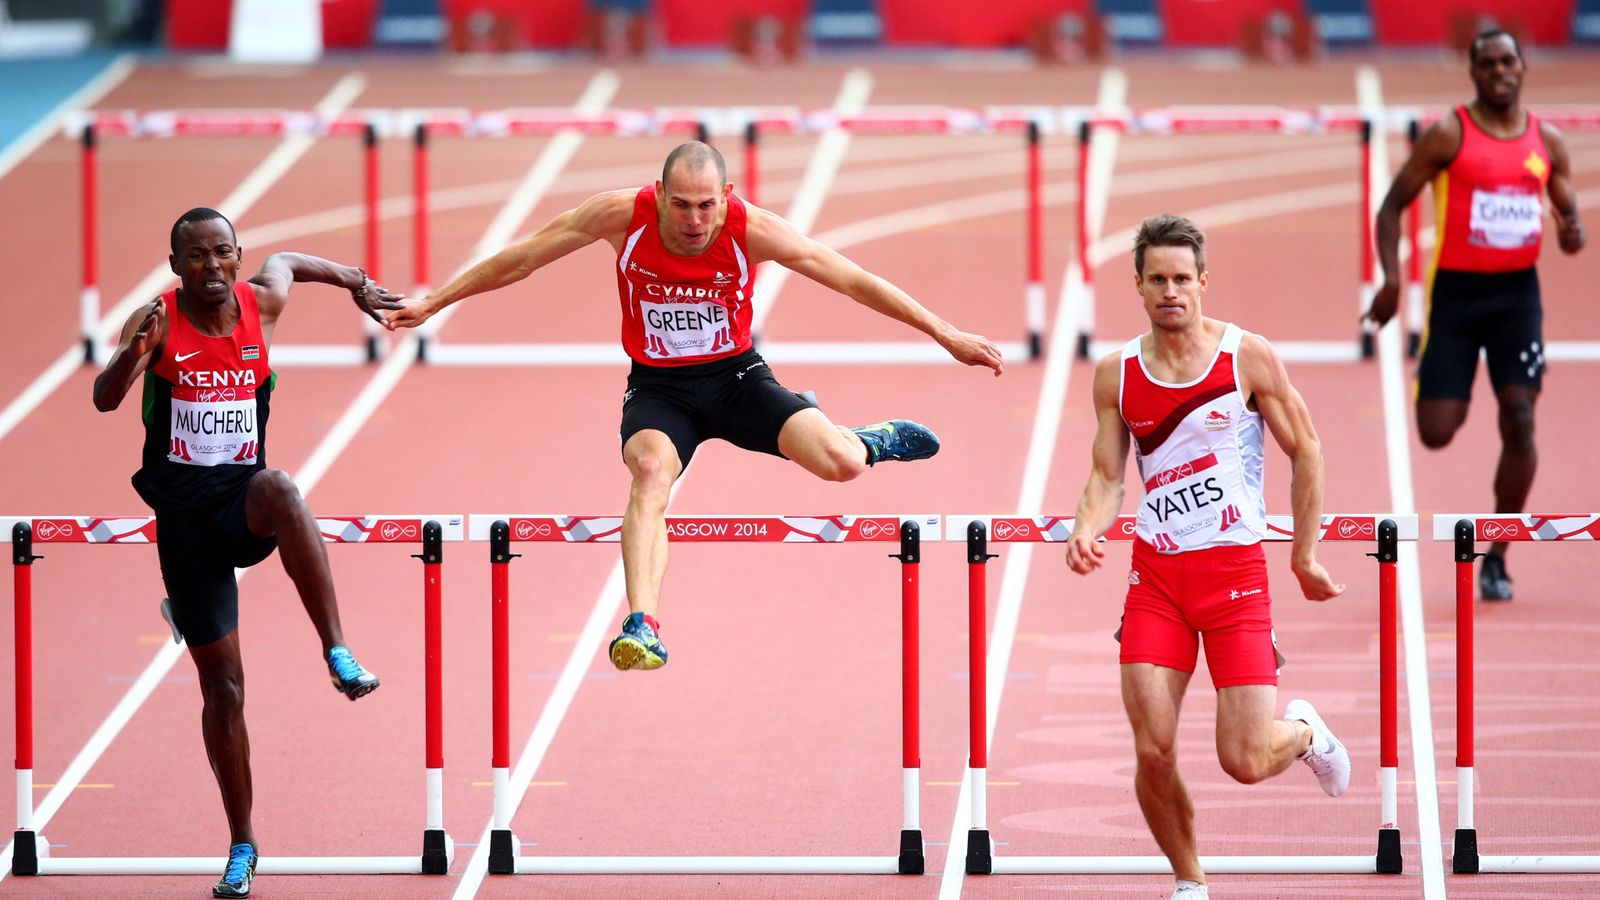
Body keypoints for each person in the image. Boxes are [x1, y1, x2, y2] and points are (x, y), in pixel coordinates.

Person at [385, 141, 1003, 670]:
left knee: (840, 463)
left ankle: (869, 439)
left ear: (727, 194)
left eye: (707, 205)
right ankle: (643, 625)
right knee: (650, 474)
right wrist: (435, 302)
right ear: (658, 193)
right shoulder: (618, 216)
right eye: (680, 205)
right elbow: (519, 259)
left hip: (737, 379)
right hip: (659, 390)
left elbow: (852, 278)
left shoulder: (751, 229)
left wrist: (946, 334)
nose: (693, 220)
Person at [92, 208, 400, 898]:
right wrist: (128, 355)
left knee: (282, 487)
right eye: (195, 256)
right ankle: (242, 843)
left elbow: (289, 262)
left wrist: (353, 279)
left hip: (243, 507)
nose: (210, 267)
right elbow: (105, 401)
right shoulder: (159, 319)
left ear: (236, 258)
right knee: (224, 689)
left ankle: (337, 652)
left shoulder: (262, 302)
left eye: (222, 253)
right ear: (176, 266)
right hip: (186, 526)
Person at [1064, 215, 1350, 900]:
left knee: (1245, 759)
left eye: (1182, 279)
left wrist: (1304, 555)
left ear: (1202, 282)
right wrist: (1086, 527)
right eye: (1157, 279)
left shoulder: (1245, 358)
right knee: (1153, 750)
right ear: (1137, 285)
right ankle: (1190, 879)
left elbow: (1306, 449)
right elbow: (1109, 476)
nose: (1171, 291)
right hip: (1157, 582)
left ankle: (1305, 733)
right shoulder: (1118, 374)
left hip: (1234, 579)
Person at [1370, 29, 1586, 601]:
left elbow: (1570, 220)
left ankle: (1497, 555)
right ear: (1473, 72)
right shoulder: (1449, 135)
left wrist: (1572, 231)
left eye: (1508, 61)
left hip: (1517, 299)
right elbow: (1392, 205)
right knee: (1436, 432)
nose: (1499, 72)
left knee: (1519, 417)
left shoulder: (1548, 142)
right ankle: (1439, 379)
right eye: (1487, 63)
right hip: (1459, 298)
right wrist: (1393, 280)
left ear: (1523, 66)